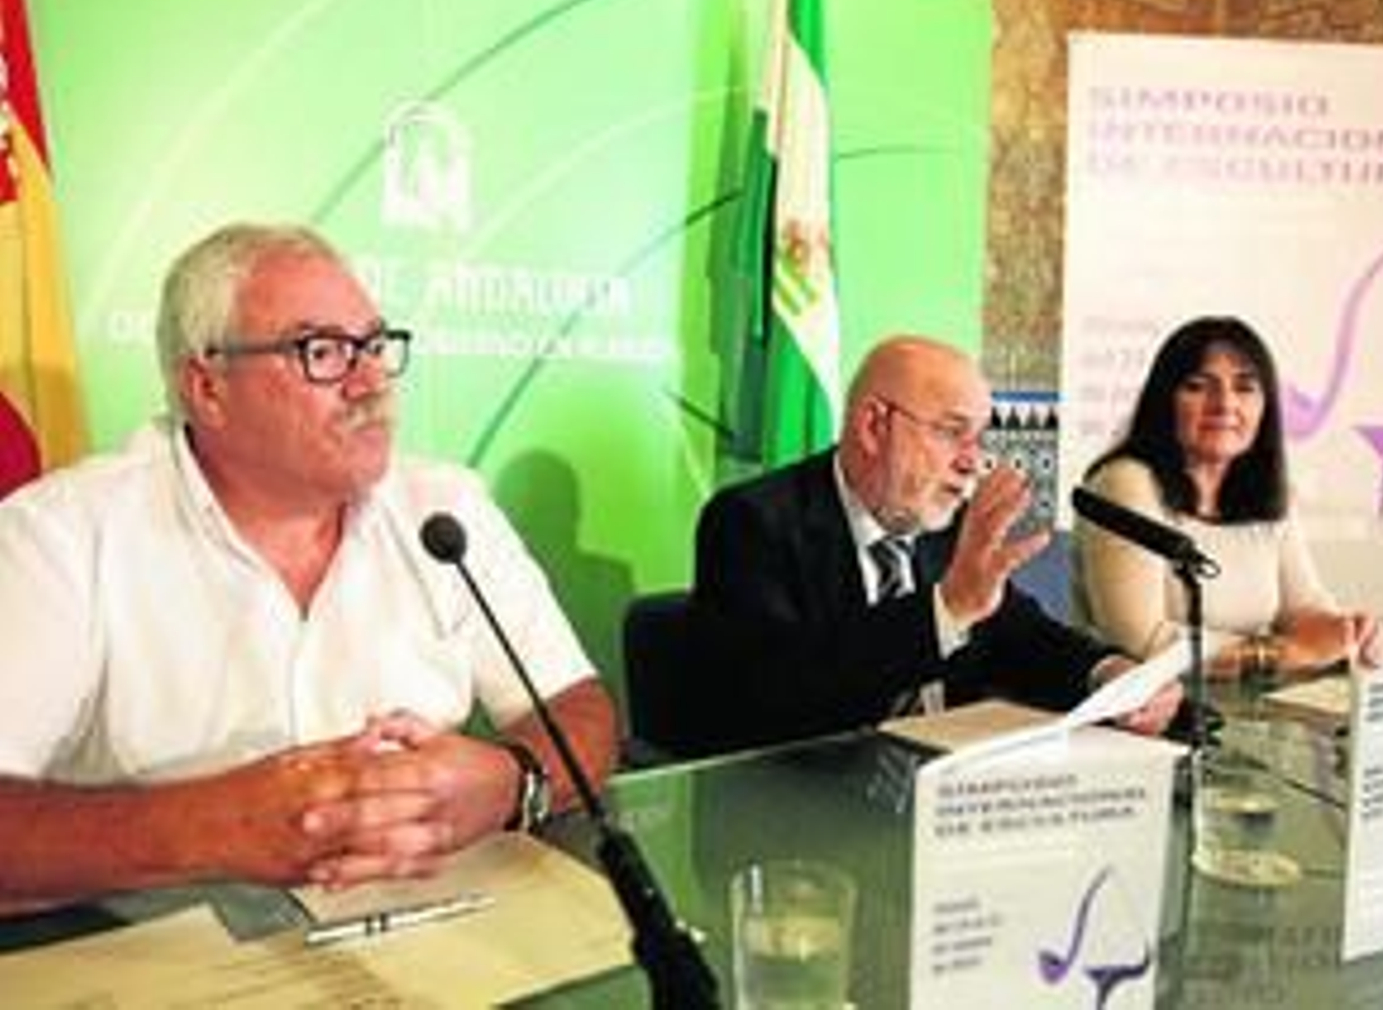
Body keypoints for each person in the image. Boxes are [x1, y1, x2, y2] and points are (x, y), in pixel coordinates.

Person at [0, 223, 618, 916]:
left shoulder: (444, 509)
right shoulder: (61, 536)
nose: (371, 382)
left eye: (376, 346)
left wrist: (512, 780)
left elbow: (579, 708)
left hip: (424, 938)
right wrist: (215, 825)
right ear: (207, 387)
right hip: (161, 961)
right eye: (321, 351)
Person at [690, 334, 1181, 753]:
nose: (972, 462)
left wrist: (1109, 673)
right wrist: (947, 609)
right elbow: (778, 696)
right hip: (807, 813)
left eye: (979, 438)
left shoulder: (948, 521)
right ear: (873, 426)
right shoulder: (750, 523)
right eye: (952, 432)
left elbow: (1018, 634)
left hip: (944, 798)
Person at [1075, 315, 1383, 680]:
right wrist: (1281, 655)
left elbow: (1303, 610)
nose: (1224, 403)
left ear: (1265, 405)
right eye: (1198, 386)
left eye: (1245, 388)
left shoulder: (1269, 494)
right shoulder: (1126, 482)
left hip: (1244, 713)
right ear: (1164, 401)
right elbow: (1142, 641)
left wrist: (1352, 633)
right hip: (1137, 718)